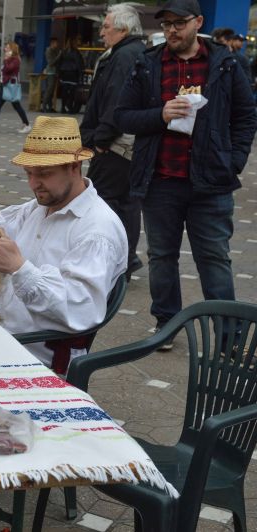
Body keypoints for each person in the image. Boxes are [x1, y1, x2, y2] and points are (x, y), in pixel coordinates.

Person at [114, 0, 257, 349]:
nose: (172, 30)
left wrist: (233, 160)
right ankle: (166, 325)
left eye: (179, 23)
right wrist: (160, 114)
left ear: (198, 23)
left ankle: (229, 336)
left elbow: (246, 115)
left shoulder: (224, 63)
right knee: (162, 257)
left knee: (215, 259)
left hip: (211, 182)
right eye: (167, 24)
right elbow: (123, 116)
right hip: (160, 179)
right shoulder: (148, 64)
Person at [0, 116, 127, 373]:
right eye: (29, 173)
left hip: (38, 359)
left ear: (74, 166)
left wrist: (18, 268)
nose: (34, 184)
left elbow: (80, 311)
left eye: (44, 174)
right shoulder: (36, 209)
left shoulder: (97, 229)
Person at [79, 3, 145, 281]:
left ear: (123, 29)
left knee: (103, 202)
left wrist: (101, 139)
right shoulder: (129, 52)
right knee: (126, 203)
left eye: (106, 26)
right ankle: (126, 261)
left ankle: (116, 264)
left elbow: (117, 100)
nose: (101, 31)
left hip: (117, 144)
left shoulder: (125, 55)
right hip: (126, 143)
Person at [57, 38, 84, 114]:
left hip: (64, 74)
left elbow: (59, 63)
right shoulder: (76, 52)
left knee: (64, 92)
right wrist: (81, 74)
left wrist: (59, 74)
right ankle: (69, 108)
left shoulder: (63, 52)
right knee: (72, 93)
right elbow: (79, 64)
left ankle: (63, 108)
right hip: (73, 74)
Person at [41, 38, 60, 112]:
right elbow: (51, 62)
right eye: (56, 43)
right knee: (49, 89)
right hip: (50, 72)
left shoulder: (55, 51)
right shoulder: (49, 50)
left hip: (54, 72)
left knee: (51, 90)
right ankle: (44, 106)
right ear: (52, 43)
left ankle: (49, 106)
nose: (57, 45)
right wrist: (59, 56)